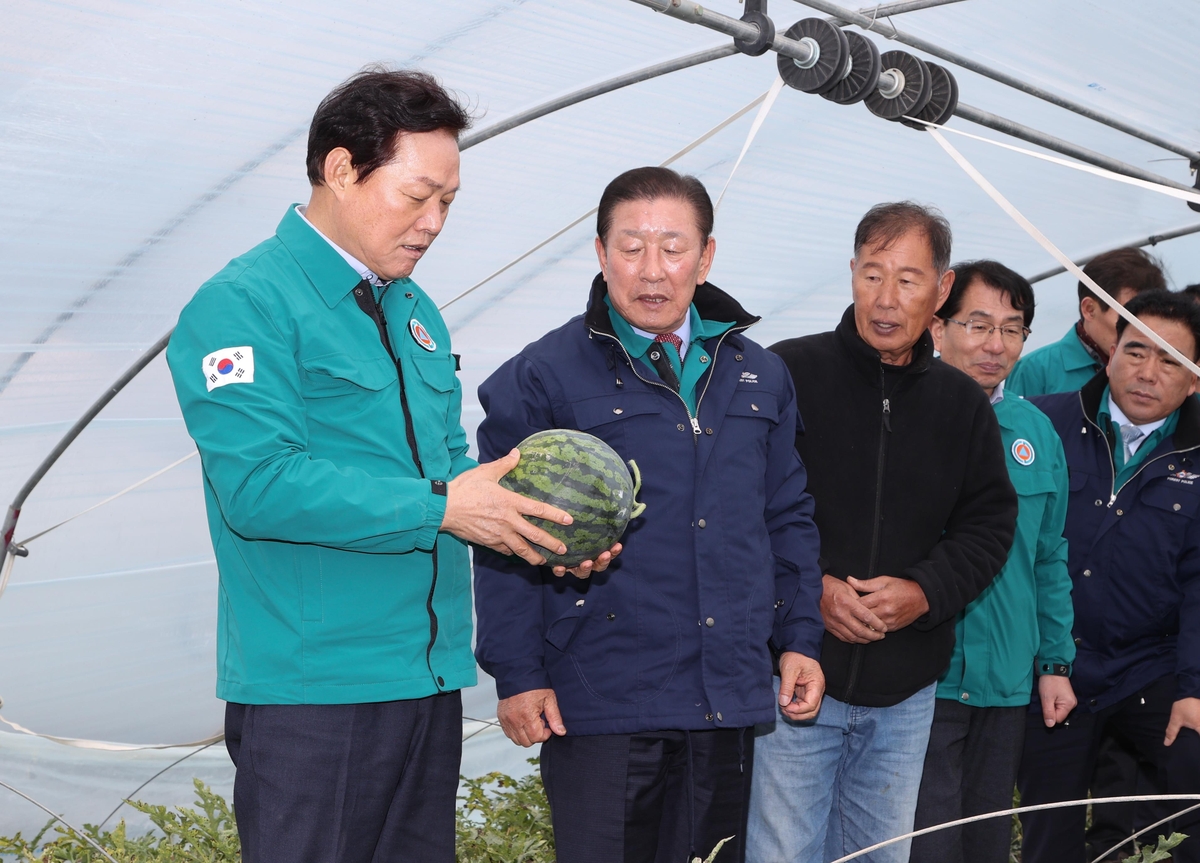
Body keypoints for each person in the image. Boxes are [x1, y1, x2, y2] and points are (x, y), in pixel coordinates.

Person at [166, 69, 613, 863]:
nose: (435, 221)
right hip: (316, 695)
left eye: (448, 201)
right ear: (342, 170)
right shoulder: (245, 304)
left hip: (425, 682)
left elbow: (455, 476)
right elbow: (259, 486)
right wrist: (442, 507)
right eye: (417, 195)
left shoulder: (415, 313)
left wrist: (549, 532)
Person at [473, 166, 826, 863]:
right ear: (601, 254)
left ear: (706, 255)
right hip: (603, 693)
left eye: (672, 246)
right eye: (631, 247)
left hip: (726, 688)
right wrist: (516, 672)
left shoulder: (760, 374)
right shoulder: (542, 376)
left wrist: (800, 636)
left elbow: (787, 515)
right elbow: (502, 533)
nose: (652, 269)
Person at [748, 203, 1018, 863]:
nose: (886, 299)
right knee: (784, 852)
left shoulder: (961, 404)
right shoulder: (788, 374)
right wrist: (809, 591)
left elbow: (989, 522)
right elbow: (739, 508)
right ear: (851, 274)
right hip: (797, 676)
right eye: (872, 275)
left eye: (907, 279)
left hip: (907, 689)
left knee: (880, 854)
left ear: (942, 289)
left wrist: (925, 592)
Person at [1018, 291, 1200, 863]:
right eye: (1136, 351)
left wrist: (1194, 688)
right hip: (1053, 668)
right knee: (1051, 832)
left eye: (1170, 360)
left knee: (1180, 816)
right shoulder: (1043, 422)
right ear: (1109, 351)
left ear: (1194, 379)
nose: (1148, 372)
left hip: (1151, 668)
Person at [910, 260, 1077, 863]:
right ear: (938, 325)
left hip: (1006, 679)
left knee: (985, 841)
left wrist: (1054, 662)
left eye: (1012, 329)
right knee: (926, 843)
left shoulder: (1036, 431)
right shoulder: (906, 415)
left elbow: (1050, 555)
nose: (995, 345)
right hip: (925, 673)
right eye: (978, 325)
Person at [1006, 247, 1166, 397]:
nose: (1141, 330)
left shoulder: (1162, 371)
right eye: (1129, 316)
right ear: (1089, 309)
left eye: (1147, 319)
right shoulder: (1034, 370)